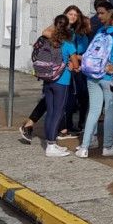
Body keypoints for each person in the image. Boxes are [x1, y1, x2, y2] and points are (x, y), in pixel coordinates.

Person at [19, 6, 89, 143]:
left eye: (75, 14)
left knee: (54, 102)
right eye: (70, 13)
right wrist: (64, 45)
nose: (73, 17)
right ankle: (45, 133)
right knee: (54, 104)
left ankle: (59, 130)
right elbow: (45, 32)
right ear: (64, 15)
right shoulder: (61, 28)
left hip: (56, 70)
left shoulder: (73, 31)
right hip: (57, 71)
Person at [75, 11, 113, 158]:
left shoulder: (101, 33)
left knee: (93, 111)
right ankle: (108, 146)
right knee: (110, 112)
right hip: (108, 78)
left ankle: (84, 147)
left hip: (92, 75)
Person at [42, 15, 77, 157]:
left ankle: (50, 142)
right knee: (58, 112)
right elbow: (75, 65)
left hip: (48, 80)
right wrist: (73, 65)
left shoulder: (48, 41)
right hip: (61, 82)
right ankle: (51, 145)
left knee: (50, 112)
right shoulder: (68, 44)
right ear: (67, 27)